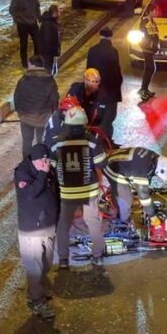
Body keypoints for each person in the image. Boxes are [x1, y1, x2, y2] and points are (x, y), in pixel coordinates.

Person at [51, 106, 108, 268]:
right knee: (92, 221)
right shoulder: (91, 140)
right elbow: (102, 163)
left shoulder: (56, 142)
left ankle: (63, 260)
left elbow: (53, 167)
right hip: (89, 190)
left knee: (63, 224)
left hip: (67, 192)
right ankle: (97, 256)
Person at [14, 143, 60, 319]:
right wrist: (43, 174)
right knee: (34, 266)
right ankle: (37, 301)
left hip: (48, 225)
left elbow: (55, 193)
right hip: (31, 228)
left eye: (47, 160)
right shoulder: (22, 174)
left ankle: (36, 291)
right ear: (33, 160)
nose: (45, 163)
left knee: (46, 262)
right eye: (42, 160)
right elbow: (31, 195)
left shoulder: (48, 171)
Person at [103, 147, 167, 225]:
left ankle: (116, 199)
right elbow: (144, 197)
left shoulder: (153, 155)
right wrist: (152, 216)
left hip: (116, 158)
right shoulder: (141, 171)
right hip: (111, 168)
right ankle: (123, 223)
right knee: (126, 199)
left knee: (124, 190)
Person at [13, 55, 59, 157]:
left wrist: (20, 112)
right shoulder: (50, 80)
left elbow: (17, 98)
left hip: (26, 117)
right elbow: (54, 100)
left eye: (29, 64)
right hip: (43, 118)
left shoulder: (23, 80)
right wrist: (52, 114)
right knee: (41, 141)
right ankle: (42, 163)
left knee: (27, 142)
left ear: (33, 65)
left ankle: (27, 163)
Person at [86, 27, 122, 133]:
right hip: (109, 91)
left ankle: (94, 137)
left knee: (95, 115)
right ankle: (107, 139)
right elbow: (116, 73)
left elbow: (88, 70)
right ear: (111, 37)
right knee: (108, 117)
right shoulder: (113, 51)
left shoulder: (92, 50)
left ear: (100, 35)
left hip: (95, 90)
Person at [67, 68, 112, 142]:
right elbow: (67, 110)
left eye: (98, 81)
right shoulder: (75, 90)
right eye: (93, 81)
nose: (96, 84)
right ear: (85, 81)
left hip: (93, 131)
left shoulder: (103, 96)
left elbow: (107, 119)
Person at [9, 0, 41, 69]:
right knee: (24, 44)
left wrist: (39, 17)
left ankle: (37, 60)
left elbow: (37, 7)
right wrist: (17, 19)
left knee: (38, 42)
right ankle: (24, 62)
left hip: (33, 22)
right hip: (22, 24)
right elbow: (12, 10)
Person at [38, 4, 62, 73]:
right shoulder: (49, 25)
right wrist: (55, 52)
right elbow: (48, 41)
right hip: (48, 54)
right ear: (54, 13)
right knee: (48, 70)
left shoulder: (50, 22)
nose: (60, 13)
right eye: (58, 11)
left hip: (48, 53)